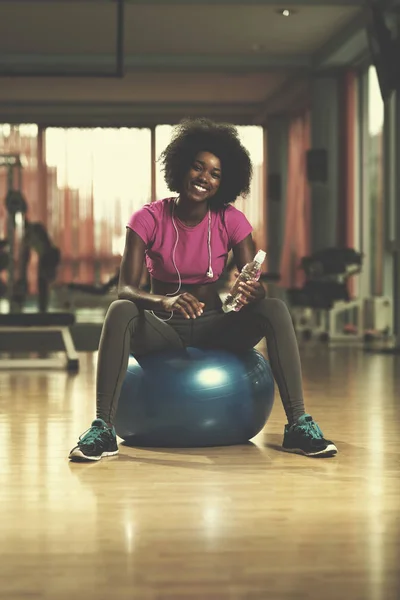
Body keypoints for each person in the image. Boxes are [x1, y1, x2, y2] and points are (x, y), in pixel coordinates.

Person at [69, 118, 338, 462]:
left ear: (224, 183)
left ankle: (298, 424)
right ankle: (103, 429)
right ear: (182, 167)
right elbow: (125, 289)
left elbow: (254, 285)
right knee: (119, 310)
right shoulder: (148, 218)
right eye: (198, 167)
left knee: (274, 308)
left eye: (215, 174)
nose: (204, 178)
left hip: (215, 326)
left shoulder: (231, 220)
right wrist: (165, 300)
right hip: (163, 328)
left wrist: (253, 292)